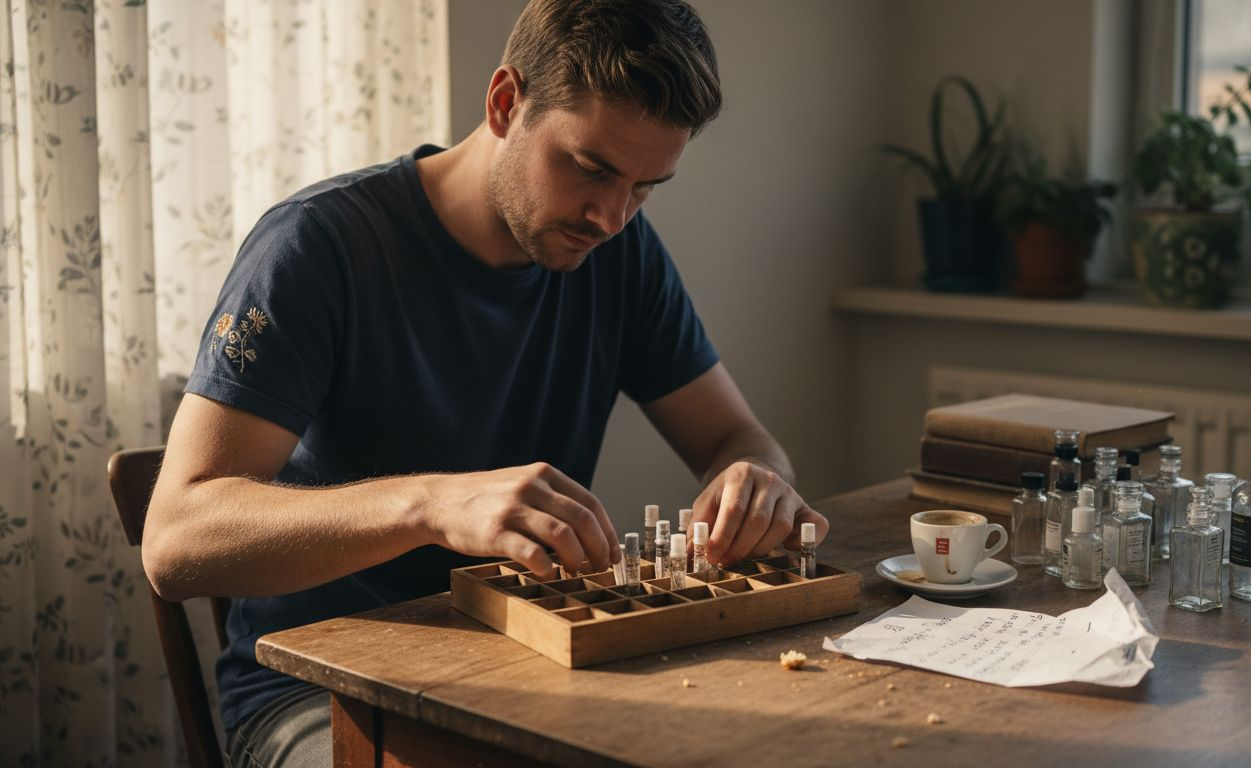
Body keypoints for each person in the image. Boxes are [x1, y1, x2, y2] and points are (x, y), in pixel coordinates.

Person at [142, 0, 828, 764]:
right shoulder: (318, 247)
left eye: (645, 187)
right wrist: (432, 503)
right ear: (506, 102)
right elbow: (175, 542)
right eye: (590, 168)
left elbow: (736, 436)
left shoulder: (619, 255)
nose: (610, 216)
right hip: (321, 698)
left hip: (535, 670)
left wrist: (758, 477)